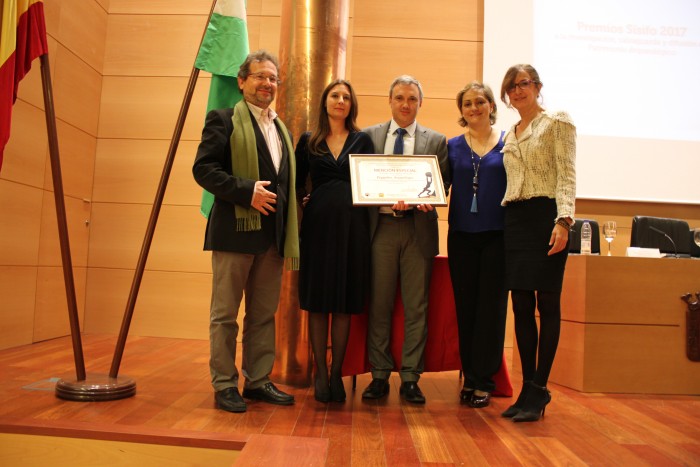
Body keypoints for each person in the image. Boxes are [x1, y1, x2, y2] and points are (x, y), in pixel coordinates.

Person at [192, 50, 299, 413]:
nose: (267, 83)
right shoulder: (222, 120)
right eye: (259, 76)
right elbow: (203, 170)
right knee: (224, 315)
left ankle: (257, 380)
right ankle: (224, 383)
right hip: (234, 234)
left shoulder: (281, 129)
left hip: (272, 238)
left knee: (262, 314)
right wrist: (245, 191)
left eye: (272, 78)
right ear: (242, 81)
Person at [361, 75, 451, 404]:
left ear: (420, 103)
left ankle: (411, 377)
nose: (405, 105)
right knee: (380, 304)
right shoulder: (369, 136)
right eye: (399, 98)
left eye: (412, 99)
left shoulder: (437, 141)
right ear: (390, 100)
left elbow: (440, 184)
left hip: (418, 229)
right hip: (381, 228)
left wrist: (424, 197)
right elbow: (361, 179)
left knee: (417, 307)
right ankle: (380, 375)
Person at [498, 64, 576, 422]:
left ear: (537, 87)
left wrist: (563, 220)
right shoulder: (509, 134)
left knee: (548, 302)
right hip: (515, 220)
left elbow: (567, 173)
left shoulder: (557, 121)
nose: (517, 91)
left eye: (524, 84)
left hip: (546, 217)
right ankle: (526, 389)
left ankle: (540, 388)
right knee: (521, 307)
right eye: (511, 86)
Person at [295, 79, 375, 403]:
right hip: (317, 228)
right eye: (334, 96)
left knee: (343, 302)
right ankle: (319, 373)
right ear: (324, 102)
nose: (340, 101)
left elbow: (371, 182)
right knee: (318, 302)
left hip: (353, 227)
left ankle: (336, 371)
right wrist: (304, 200)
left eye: (345, 97)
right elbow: (298, 182)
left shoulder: (363, 140)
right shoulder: (308, 141)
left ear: (351, 104)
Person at [446, 82, 508, 409]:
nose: (474, 108)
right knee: (466, 308)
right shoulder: (452, 146)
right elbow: (435, 185)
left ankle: (485, 380)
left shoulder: (509, 144)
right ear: (462, 111)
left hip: (498, 237)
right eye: (467, 103)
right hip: (462, 238)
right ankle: (470, 376)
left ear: (491, 105)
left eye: (480, 102)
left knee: (492, 311)